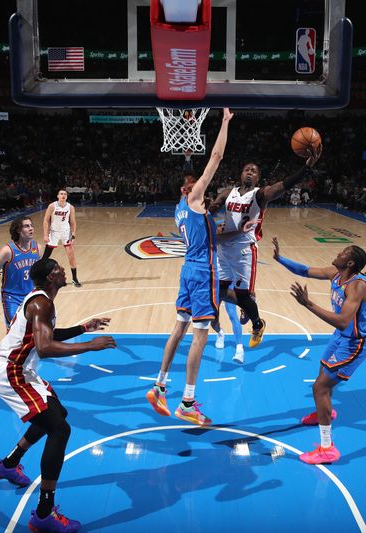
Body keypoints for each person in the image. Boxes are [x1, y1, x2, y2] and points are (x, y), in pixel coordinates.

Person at [0, 258, 116, 533]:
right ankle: (44, 514)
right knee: (60, 428)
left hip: (23, 370)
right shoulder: (41, 302)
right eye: (57, 269)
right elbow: (45, 347)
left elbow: (46, 333)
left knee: (58, 415)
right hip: (12, 371)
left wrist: (83, 328)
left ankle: (9, 464)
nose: (62, 271)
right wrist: (89, 346)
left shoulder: (43, 301)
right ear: (49, 278)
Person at [145, 108, 233, 426]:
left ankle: (159, 385)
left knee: (178, 327)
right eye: (195, 185)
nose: (201, 187)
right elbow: (218, 155)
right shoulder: (195, 198)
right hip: (202, 272)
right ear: (188, 190)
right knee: (200, 336)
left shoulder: (180, 210)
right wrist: (224, 122)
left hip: (186, 272)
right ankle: (188, 402)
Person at [209, 143, 322, 349]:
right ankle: (243, 305)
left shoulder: (260, 195)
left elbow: (283, 185)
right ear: (241, 174)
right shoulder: (228, 193)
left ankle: (258, 324)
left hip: (244, 250)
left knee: (243, 295)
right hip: (225, 250)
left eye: (254, 171)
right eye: (247, 169)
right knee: (221, 291)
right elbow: (210, 211)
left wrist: (307, 167)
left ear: (258, 178)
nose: (250, 172)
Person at [272, 237, 366, 464]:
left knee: (320, 387)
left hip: (356, 342)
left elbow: (342, 321)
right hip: (341, 337)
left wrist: (308, 304)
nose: (339, 253)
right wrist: (280, 259)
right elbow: (306, 270)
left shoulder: (357, 286)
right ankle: (323, 413)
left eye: (344, 253)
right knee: (322, 373)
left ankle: (327, 448)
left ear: (350, 264)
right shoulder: (335, 273)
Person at [0, 216, 40, 328]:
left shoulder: (37, 247)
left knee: (34, 329)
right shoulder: (8, 251)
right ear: (18, 230)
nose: (31, 228)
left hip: (31, 295)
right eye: (26, 226)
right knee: (16, 328)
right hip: (12, 298)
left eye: (31, 225)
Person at [42, 190, 81, 287]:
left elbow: (73, 222)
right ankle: (41, 276)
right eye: (61, 194)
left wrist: (73, 235)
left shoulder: (70, 207)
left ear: (67, 197)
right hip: (54, 232)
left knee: (71, 255)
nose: (63, 195)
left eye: (65, 194)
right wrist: (45, 235)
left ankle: (74, 278)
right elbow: (46, 220)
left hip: (66, 232)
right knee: (46, 256)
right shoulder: (52, 206)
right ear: (58, 196)